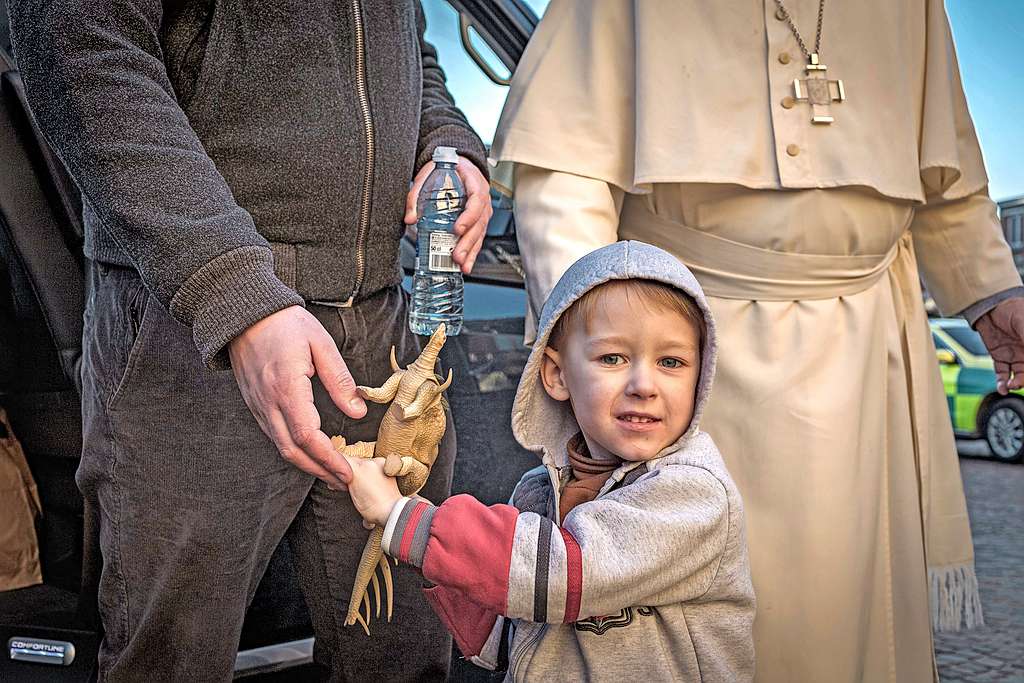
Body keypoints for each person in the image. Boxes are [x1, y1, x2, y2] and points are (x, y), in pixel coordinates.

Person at [487, 1, 1024, 681]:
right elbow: (564, 168)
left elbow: (949, 185)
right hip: (693, 359)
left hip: (867, 363)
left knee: (850, 627)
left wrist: (992, 294)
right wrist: (611, 344)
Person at [7, 1, 492, 680]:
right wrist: (234, 294)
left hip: (380, 315)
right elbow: (83, 49)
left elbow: (406, 48)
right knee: (170, 662)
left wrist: (447, 145)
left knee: (402, 657)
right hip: (191, 326)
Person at [343, 241, 756, 682]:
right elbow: (514, 622)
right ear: (557, 375)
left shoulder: (691, 494)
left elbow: (561, 576)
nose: (644, 385)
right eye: (613, 358)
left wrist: (407, 520)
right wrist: (428, 553)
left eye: (671, 361)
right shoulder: (540, 491)